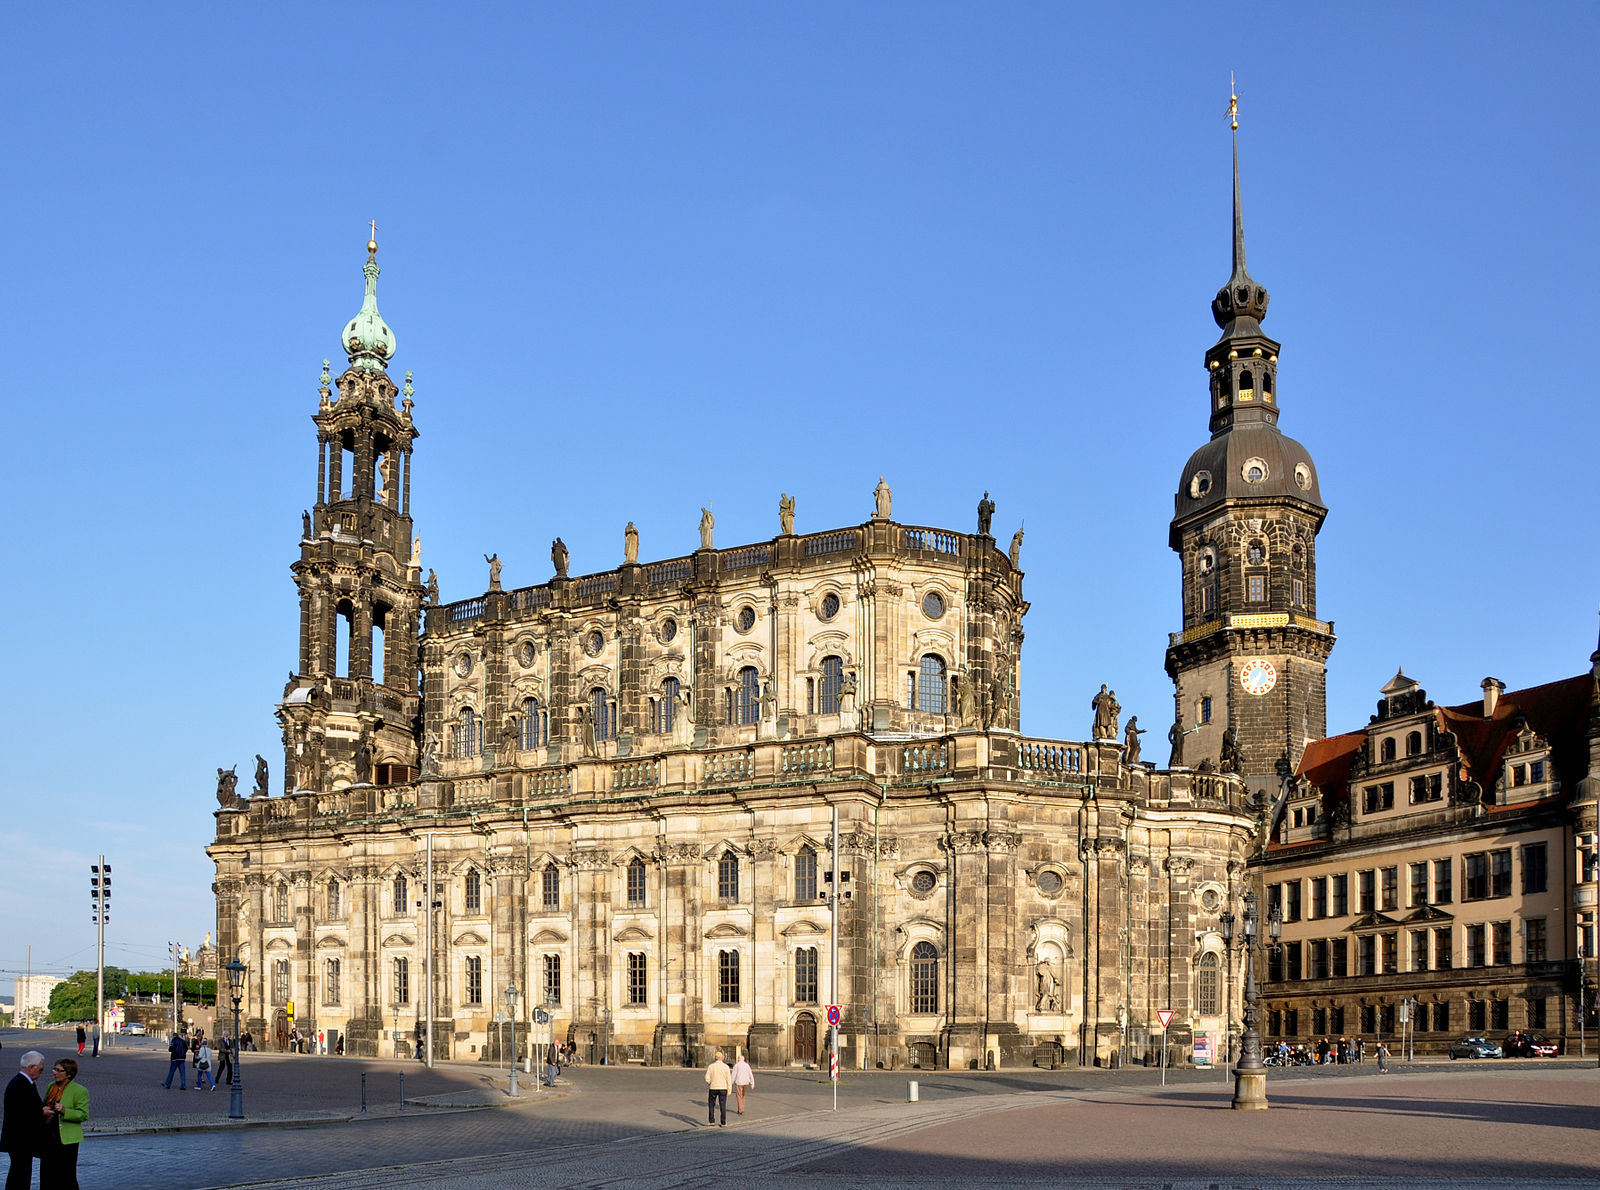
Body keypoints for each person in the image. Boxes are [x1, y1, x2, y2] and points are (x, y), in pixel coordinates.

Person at [39, 1057, 88, 1190]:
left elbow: (83, 1114)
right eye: (54, 1069)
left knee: (67, 1176)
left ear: (69, 1074)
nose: (55, 1072)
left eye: (59, 1070)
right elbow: (44, 1104)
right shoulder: (51, 1086)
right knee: (46, 1175)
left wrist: (65, 1111)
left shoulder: (79, 1091)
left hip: (67, 1140)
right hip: (49, 1137)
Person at [2, 1051, 46, 1190]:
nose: (41, 1072)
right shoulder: (20, 1084)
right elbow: (22, 1112)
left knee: (21, 1173)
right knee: (20, 1174)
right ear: (32, 1067)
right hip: (20, 1139)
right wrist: (42, 1112)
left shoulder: (23, 1083)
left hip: (20, 1139)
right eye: (40, 1068)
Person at [704, 1051, 731, 1127]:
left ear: (715, 1058)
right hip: (723, 1088)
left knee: (711, 1104)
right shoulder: (726, 1067)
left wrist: (710, 1082)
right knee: (722, 1105)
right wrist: (729, 1090)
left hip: (713, 1087)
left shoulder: (711, 1066)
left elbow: (707, 1078)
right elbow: (729, 1079)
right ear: (722, 1058)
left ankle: (711, 1121)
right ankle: (723, 1122)